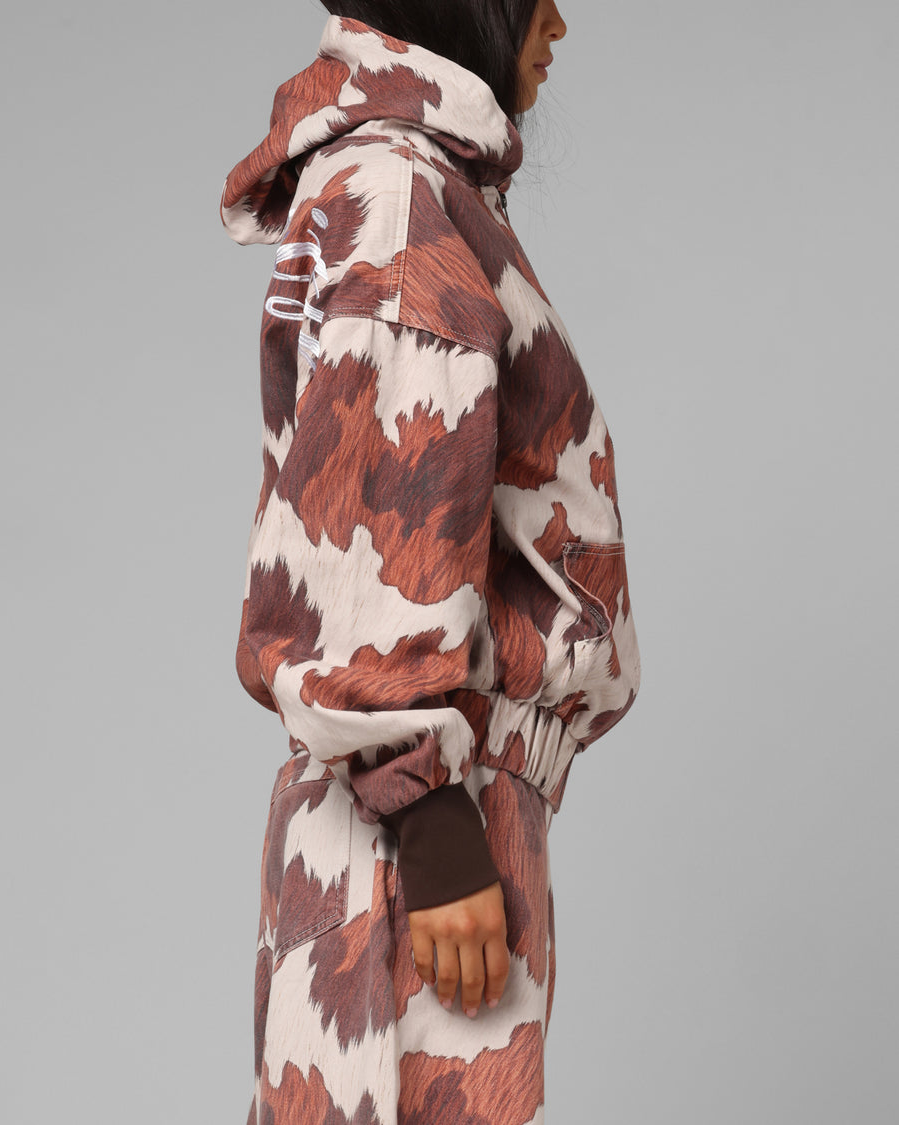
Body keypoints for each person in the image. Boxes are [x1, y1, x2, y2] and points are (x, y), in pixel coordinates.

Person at [220, 2, 641, 1121]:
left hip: (418, 813)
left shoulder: (408, 191)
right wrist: (435, 824)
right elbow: (374, 519)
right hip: (417, 829)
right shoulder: (405, 205)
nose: (559, 20)